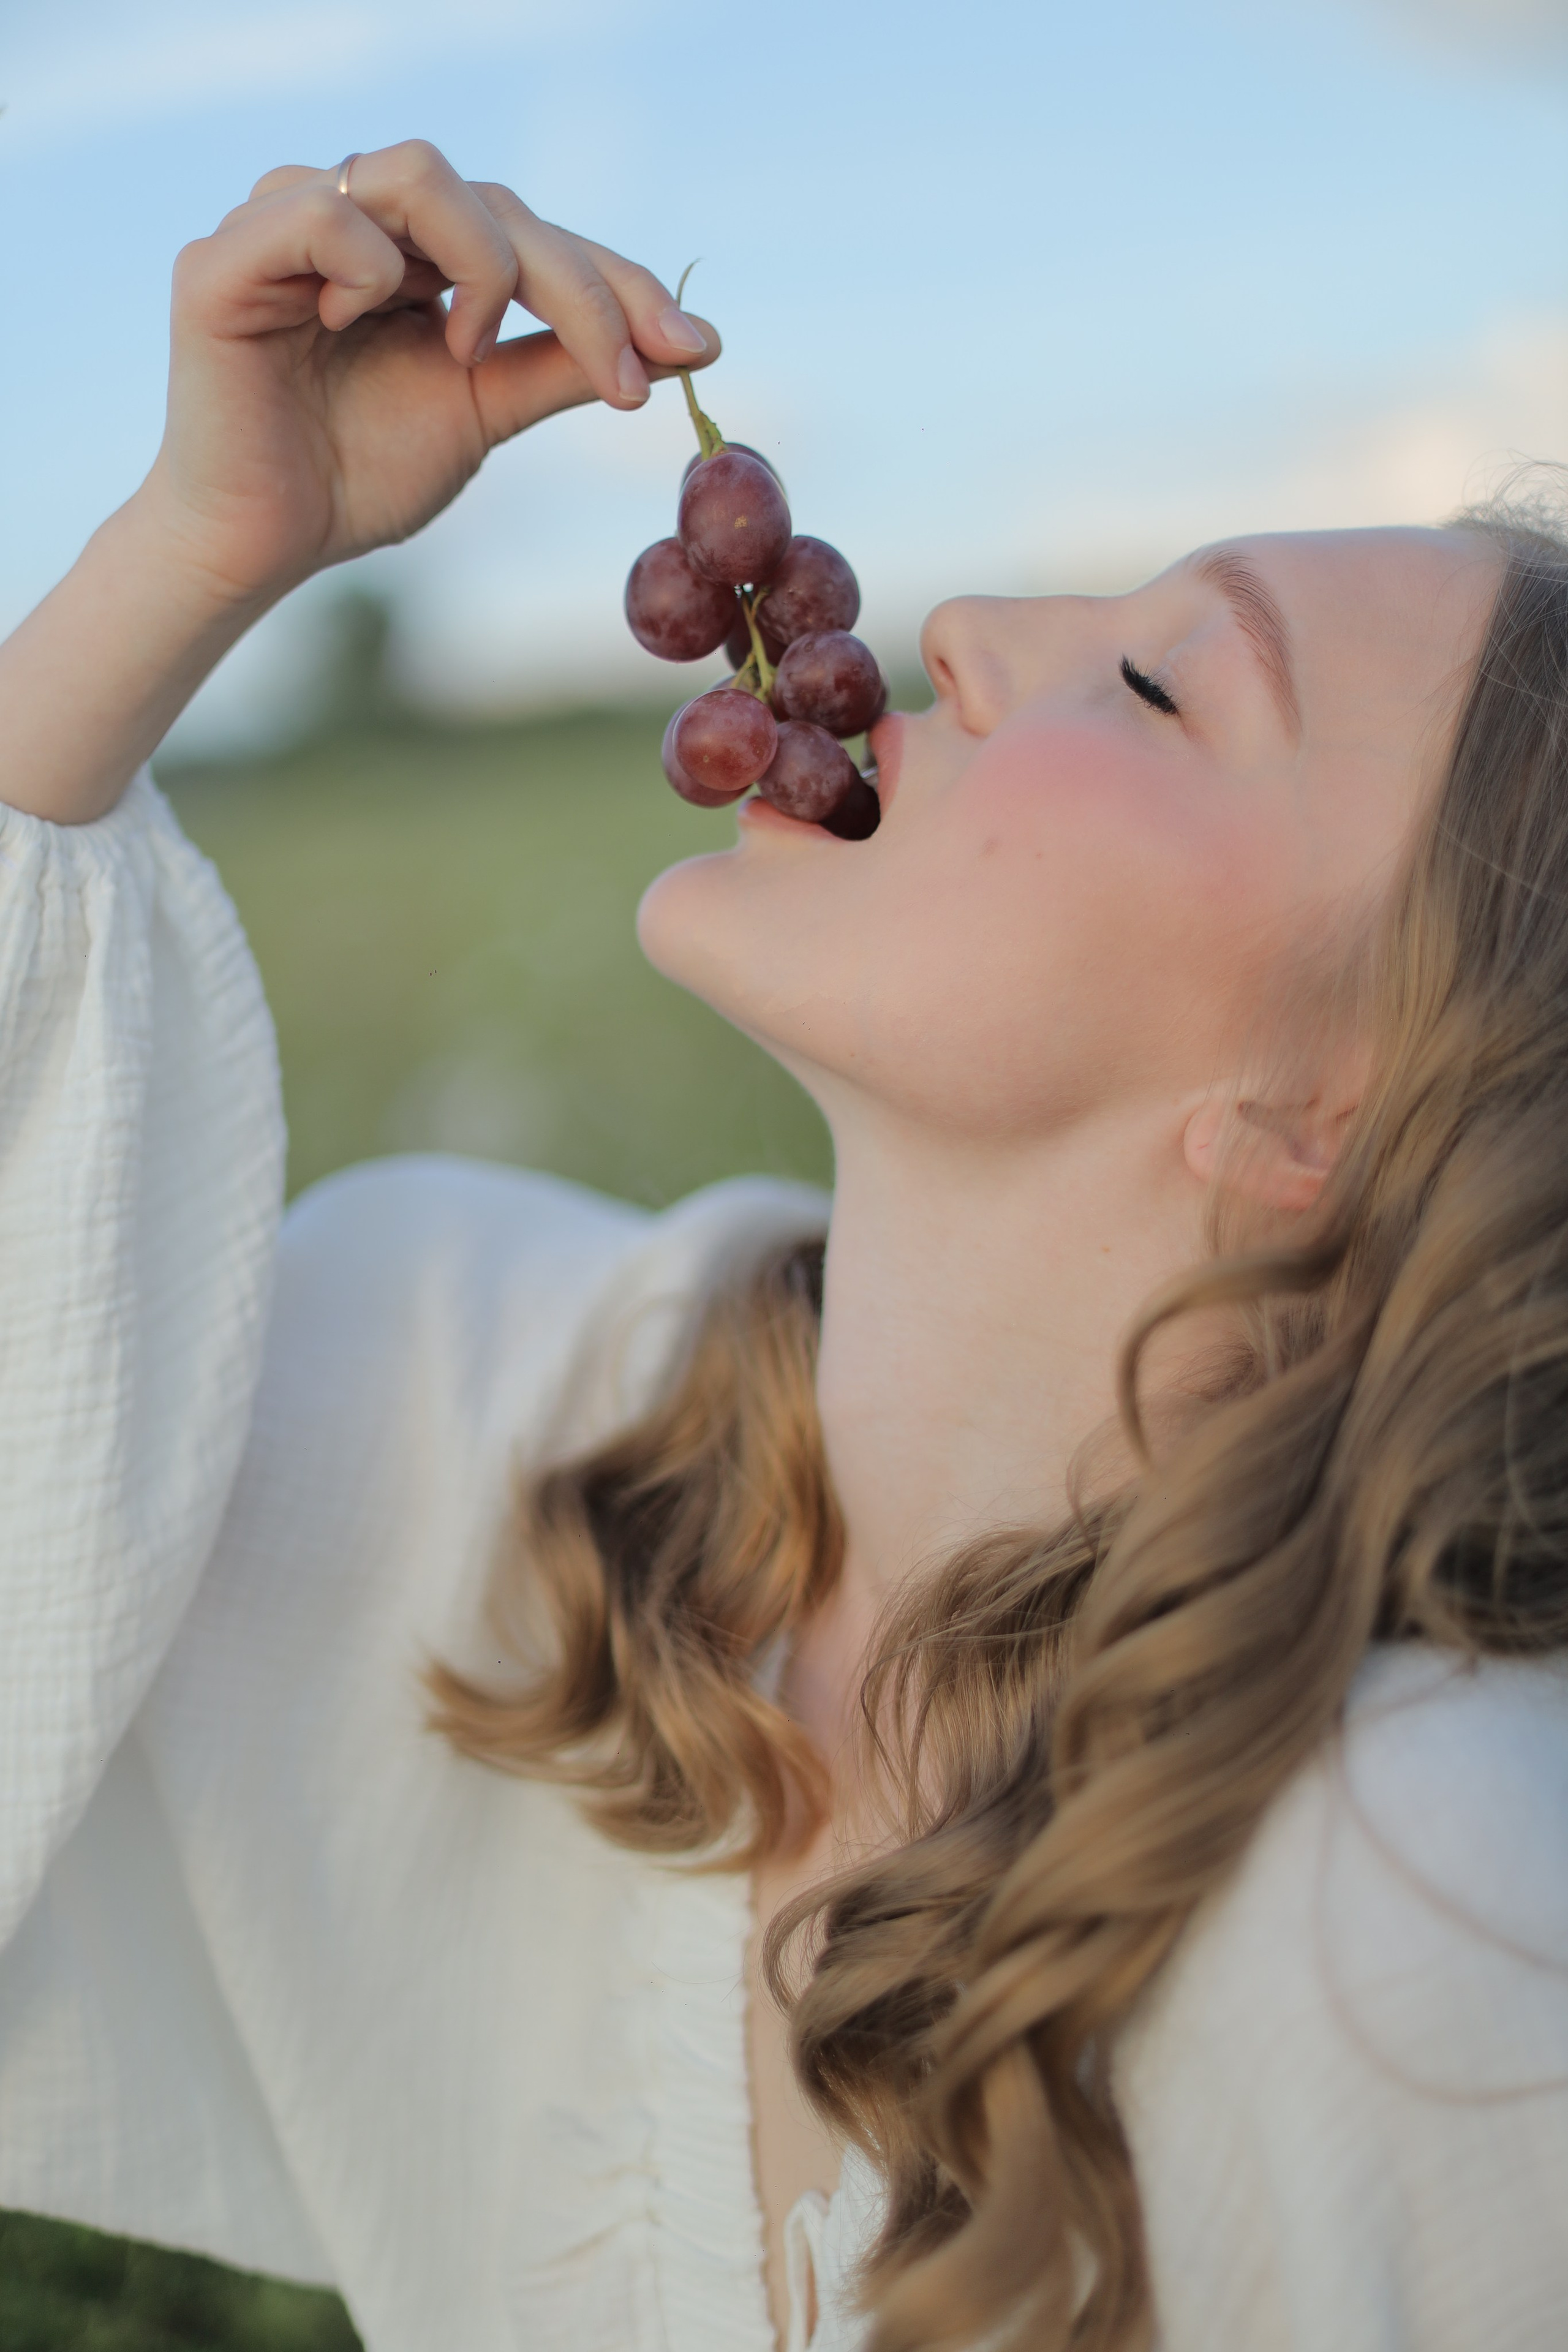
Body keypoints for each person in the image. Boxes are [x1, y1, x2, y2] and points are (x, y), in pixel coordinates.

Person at [1, 136, 1565, 2352]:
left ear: (1338, 1118)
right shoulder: (482, 1415)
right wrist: (179, 560)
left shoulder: (1440, 1938)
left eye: (1161, 689)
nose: (958, 627)